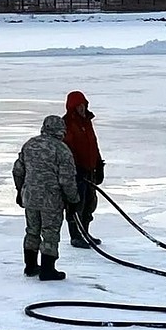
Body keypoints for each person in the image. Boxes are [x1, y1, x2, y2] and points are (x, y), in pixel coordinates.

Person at [13, 115, 81, 281]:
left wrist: (19, 190)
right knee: (50, 232)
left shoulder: (30, 144)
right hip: (51, 199)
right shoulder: (62, 149)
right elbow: (67, 179)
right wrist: (73, 200)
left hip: (30, 196)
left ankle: (30, 266)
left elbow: (18, 170)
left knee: (32, 230)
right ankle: (48, 270)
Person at [62, 90, 105, 248]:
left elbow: (93, 144)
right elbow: (66, 150)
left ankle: (85, 232)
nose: (81, 108)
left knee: (89, 203)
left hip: (90, 170)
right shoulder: (66, 124)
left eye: (83, 105)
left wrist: (99, 164)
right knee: (76, 204)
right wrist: (74, 169)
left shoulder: (87, 122)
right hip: (76, 172)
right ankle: (75, 235)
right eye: (78, 106)